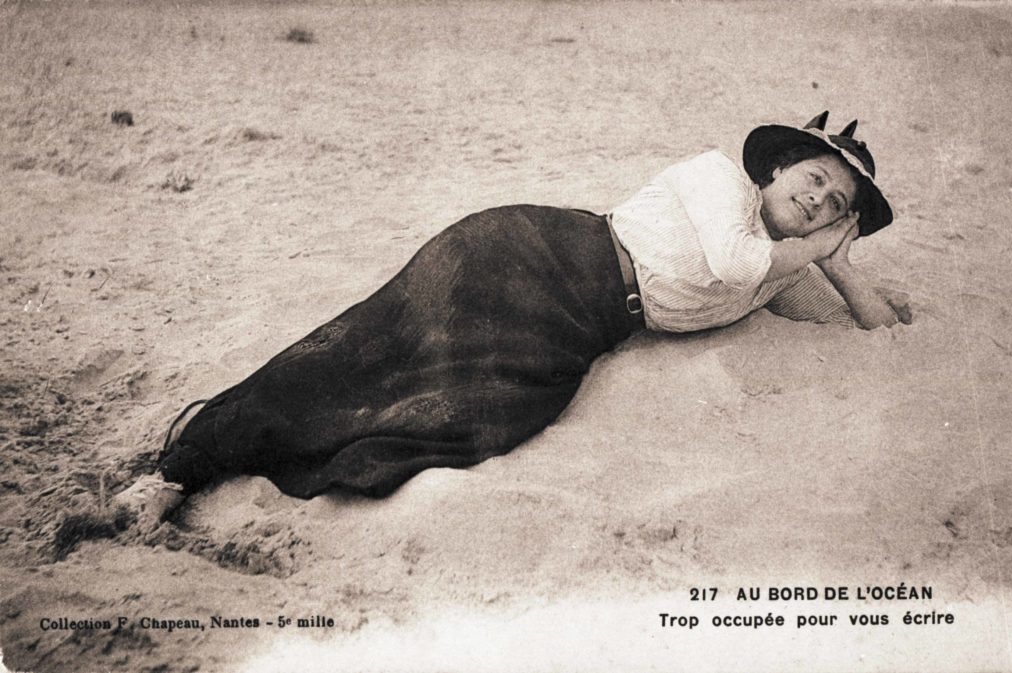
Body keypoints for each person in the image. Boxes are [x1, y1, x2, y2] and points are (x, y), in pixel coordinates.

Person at [113, 111, 911, 531]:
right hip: (531, 254)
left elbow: (872, 326)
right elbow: (738, 262)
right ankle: (177, 471)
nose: (817, 199)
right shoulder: (716, 181)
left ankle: (270, 463)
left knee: (478, 419)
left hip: (575, 327)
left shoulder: (782, 267)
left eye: (834, 204)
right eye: (814, 179)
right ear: (776, 168)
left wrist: (839, 262)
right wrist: (815, 250)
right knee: (360, 352)